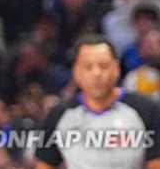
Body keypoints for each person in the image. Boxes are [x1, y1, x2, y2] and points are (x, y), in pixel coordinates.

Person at [34, 34, 160, 169]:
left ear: (116, 68)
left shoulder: (147, 110)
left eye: (103, 66)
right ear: (76, 72)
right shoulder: (59, 114)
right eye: (88, 67)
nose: (96, 74)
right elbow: (44, 163)